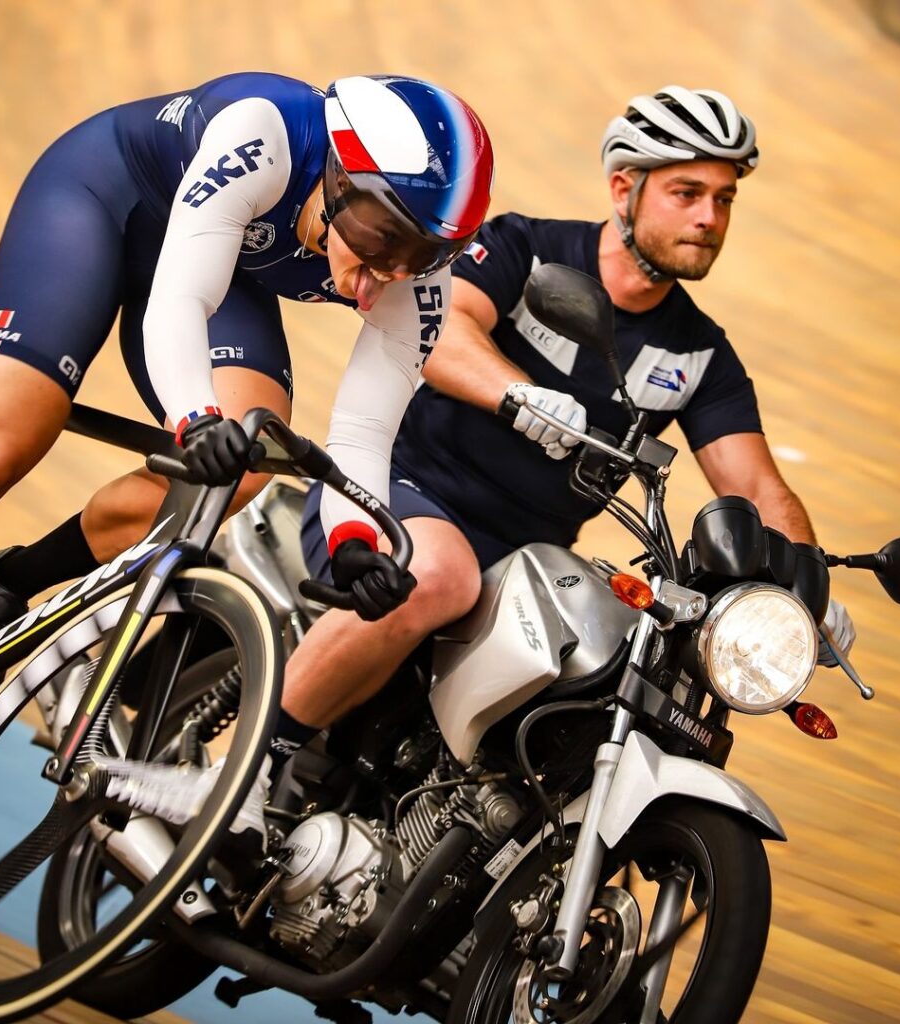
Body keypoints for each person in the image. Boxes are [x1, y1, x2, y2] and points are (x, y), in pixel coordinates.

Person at [274, 85, 856, 770]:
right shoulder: (529, 249)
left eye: (724, 200)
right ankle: (254, 771)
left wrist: (805, 587)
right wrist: (523, 395)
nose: (709, 217)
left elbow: (758, 485)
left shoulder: (700, 352)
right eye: (686, 193)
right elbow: (440, 337)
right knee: (439, 574)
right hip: (404, 495)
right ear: (622, 189)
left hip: (526, 564)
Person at [0, 72, 494, 700]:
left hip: (222, 258)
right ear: (338, 176)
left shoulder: (418, 283)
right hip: (100, 200)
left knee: (242, 465)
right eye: (381, 237)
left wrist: (354, 541)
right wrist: (194, 418)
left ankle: (14, 579)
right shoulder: (265, 130)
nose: (390, 274)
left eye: (425, 254)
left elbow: (363, 431)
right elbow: (180, 298)